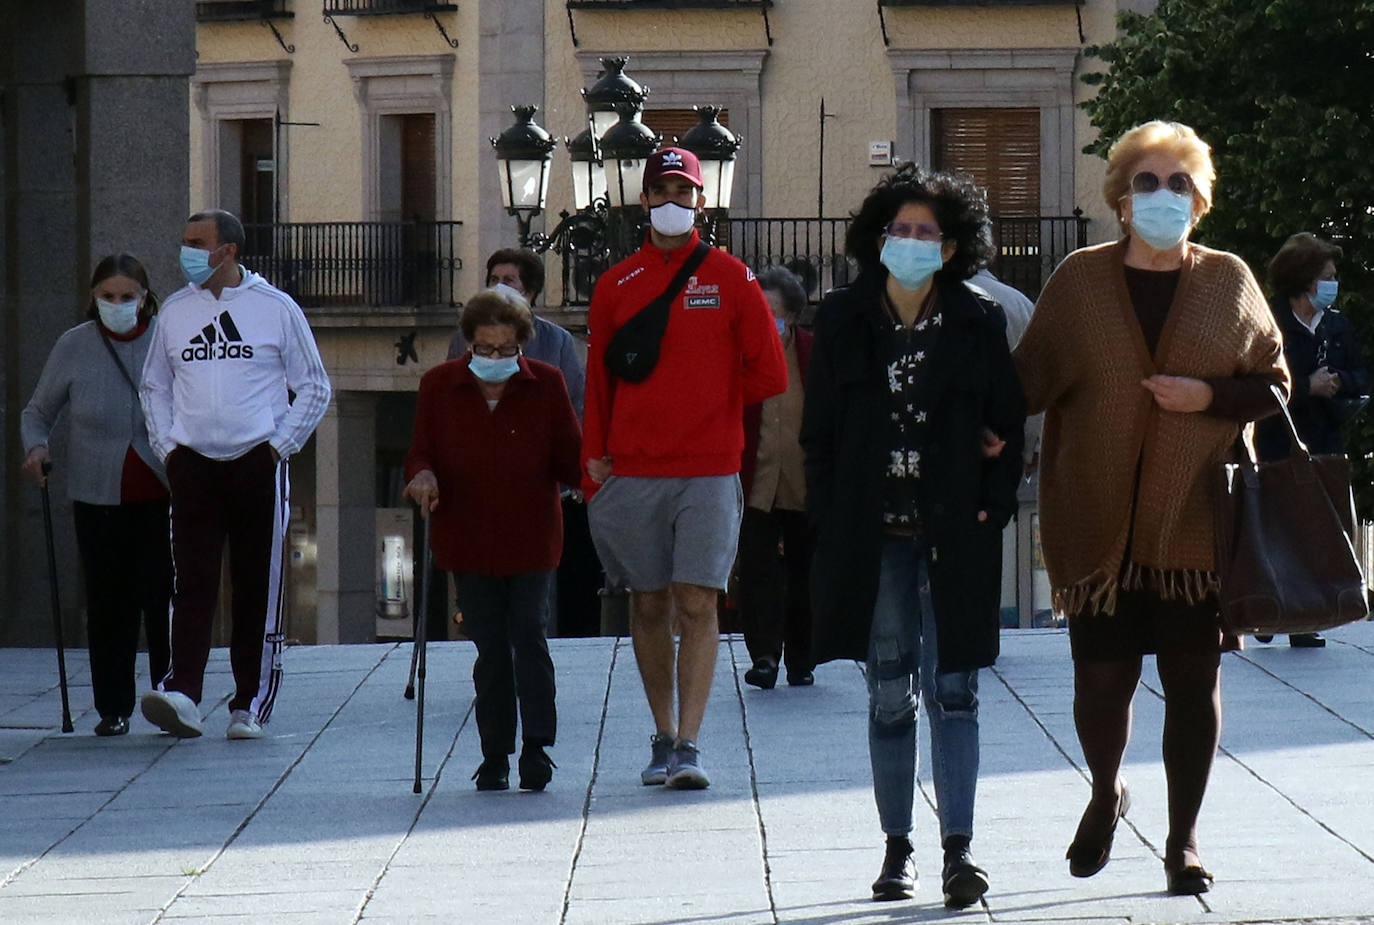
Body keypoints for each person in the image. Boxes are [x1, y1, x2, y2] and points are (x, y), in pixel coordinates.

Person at [1012, 121, 1290, 895]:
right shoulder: (1079, 281)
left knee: (1193, 683)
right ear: (1121, 198)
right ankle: (1107, 790)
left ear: (1199, 201)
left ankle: (1182, 839)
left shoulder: (1229, 281)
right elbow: (1026, 381)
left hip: (1196, 526)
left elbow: (1274, 385)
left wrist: (1208, 396)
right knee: (1101, 683)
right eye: (1146, 181)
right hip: (1095, 523)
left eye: (1178, 183)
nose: (1162, 195)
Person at [800, 164, 1026, 908]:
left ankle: (960, 849)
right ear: (879, 237)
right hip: (875, 537)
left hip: (956, 534)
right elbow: (819, 434)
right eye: (900, 228)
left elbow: (1009, 422)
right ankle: (896, 849)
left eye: (927, 231)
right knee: (890, 692)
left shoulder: (978, 320)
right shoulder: (842, 318)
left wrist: (993, 506)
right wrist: (831, 518)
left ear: (952, 246)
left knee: (955, 690)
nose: (912, 240)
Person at [582, 147, 787, 790]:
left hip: (708, 468)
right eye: (662, 190)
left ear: (701, 200)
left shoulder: (733, 278)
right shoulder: (615, 285)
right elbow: (598, 383)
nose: (672, 200)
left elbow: (770, 373)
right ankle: (663, 733)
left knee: (698, 600)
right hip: (633, 469)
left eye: (684, 190)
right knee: (647, 603)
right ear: (643, 199)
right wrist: (594, 463)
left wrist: (706, 401)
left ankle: (690, 744)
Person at [139, 209, 331, 740]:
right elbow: (154, 386)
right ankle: (182, 690)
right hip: (192, 465)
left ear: (228, 250)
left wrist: (278, 447)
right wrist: (169, 448)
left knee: (256, 585)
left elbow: (314, 386)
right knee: (191, 581)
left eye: (197, 242)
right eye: (184, 240)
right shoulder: (175, 312)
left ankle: (250, 701)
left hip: (257, 461)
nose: (186, 251)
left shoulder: (276, 308)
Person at [406, 287, 582, 791]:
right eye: (485, 348)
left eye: (507, 349)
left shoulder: (546, 383)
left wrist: (597, 469)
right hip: (467, 537)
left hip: (531, 535)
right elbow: (420, 452)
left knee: (529, 635)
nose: (496, 357)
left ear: (522, 345)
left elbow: (570, 456)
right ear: (469, 344)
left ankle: (537, 748)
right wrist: (422, 476)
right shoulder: (439, 385)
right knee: (489, 648)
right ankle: (495, 754)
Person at [20, 254, 172, 737]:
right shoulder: (75, 345)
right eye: (108, 296)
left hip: (162, 493)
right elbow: (37, 411)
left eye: (127, 296)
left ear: (144, 298)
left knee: (161, 598)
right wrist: (36, 447)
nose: (117, 304)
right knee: (109, 603)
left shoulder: (166, 340)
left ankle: (172, 695)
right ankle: (113, 707)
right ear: (93, 297)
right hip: (96, 497)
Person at [1253, 232, 1368, 648]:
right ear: (1304, 279)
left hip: (1325, 442)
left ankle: (1305, 618)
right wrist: (1305, 386)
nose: (1334, 284)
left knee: (1317, 529)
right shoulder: (1269, 323)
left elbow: (1361, 372)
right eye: (1328, 276)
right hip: (1277, 442)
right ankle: (1269, 610)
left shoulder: (1337, 325)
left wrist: (1339, 382)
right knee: (1277, 529)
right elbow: (1258, 382)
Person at [738, 266, 815, 690]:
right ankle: (764, 657)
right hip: (757, 481)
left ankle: (802, 659)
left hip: (804, 482)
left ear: (793, 314)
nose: (765, 319)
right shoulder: (741, 356)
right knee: (757, 572)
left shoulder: (813, 353)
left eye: (773, 311)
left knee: (805, 572)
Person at [447, 248, 585, 417]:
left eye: (508, 280)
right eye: (494, 279)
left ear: (529, 291)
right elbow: (451, 392)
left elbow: (574, 402)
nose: (498, 287)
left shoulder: (557, 340)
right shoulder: (465, 336)